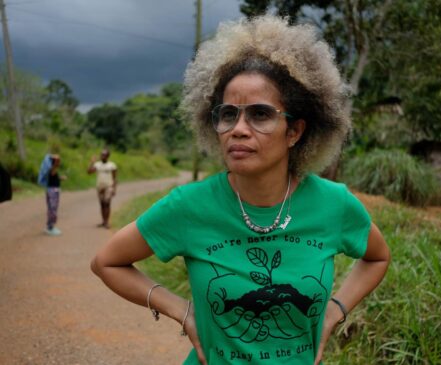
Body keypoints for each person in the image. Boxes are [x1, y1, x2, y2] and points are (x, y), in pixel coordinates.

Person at [91, 15, 391, 365]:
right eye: (228, 114)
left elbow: (378, 257)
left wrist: (333, 312)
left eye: (260, 115)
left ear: (294, 131)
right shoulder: (189, 206)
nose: (239, 129)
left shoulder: (334, 204)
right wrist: (183, 312)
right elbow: (106, 262)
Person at [87, 149, 117, 228]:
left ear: (107, 156)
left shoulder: (112, 165)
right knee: (102, 204)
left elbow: (114, 178)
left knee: (107, 203)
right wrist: (92, 162)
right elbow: (89, 172)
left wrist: (114, 188)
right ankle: (103, 221)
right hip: (100, 187)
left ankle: (107, 222)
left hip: (108, 187)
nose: (102, 156)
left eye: (104, 155)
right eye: (101, 155)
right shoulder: (97, 165)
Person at [38, 154, 64, 235]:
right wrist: (56, 161)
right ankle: (50, 227)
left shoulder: (51, 170)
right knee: (53, 209)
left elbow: (53, 178)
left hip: (51, 190)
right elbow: (53, 171)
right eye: (58, 161)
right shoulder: (52, 169)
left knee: (51, 209)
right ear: (55, 162)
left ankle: (50, 226)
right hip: (53, 191)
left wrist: (60, 178)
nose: (59, 162)